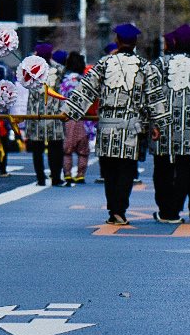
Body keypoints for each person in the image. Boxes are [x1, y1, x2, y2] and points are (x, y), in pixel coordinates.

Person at [63, 23, 170, 226]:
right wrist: (158, 124)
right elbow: (155, 98)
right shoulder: (146, 67)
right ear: (135, 43)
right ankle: (120, 210)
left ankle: (114, 210)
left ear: (117, 42)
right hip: (132, 126)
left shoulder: (104, 64)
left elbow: (86, 90)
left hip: (107, 124)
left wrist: (68, 113)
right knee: (126, 169)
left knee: (109, 169)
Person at [152, 24, 190, 224]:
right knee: (184, 168)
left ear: (175, 42)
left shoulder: (160, 64)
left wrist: (150, 119)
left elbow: (150, 94)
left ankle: (165, 209)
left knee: (162, 168)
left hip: (163, 125)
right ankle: (175, 209)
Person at [20, 43, 65, 188]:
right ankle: (56, 177)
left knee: (37, 148)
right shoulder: (58, 69)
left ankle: (40, 178)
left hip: (35, 112)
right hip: (54, 112)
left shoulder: (29, 71)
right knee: (56, 146)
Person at [59, 52, 90, 185]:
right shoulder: (86, 81)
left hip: (68, 118)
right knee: (83, 151)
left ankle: (67, 174)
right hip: (85, 118)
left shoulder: (65, 82)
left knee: (67, 150)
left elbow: (61, 99)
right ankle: (80, 174)